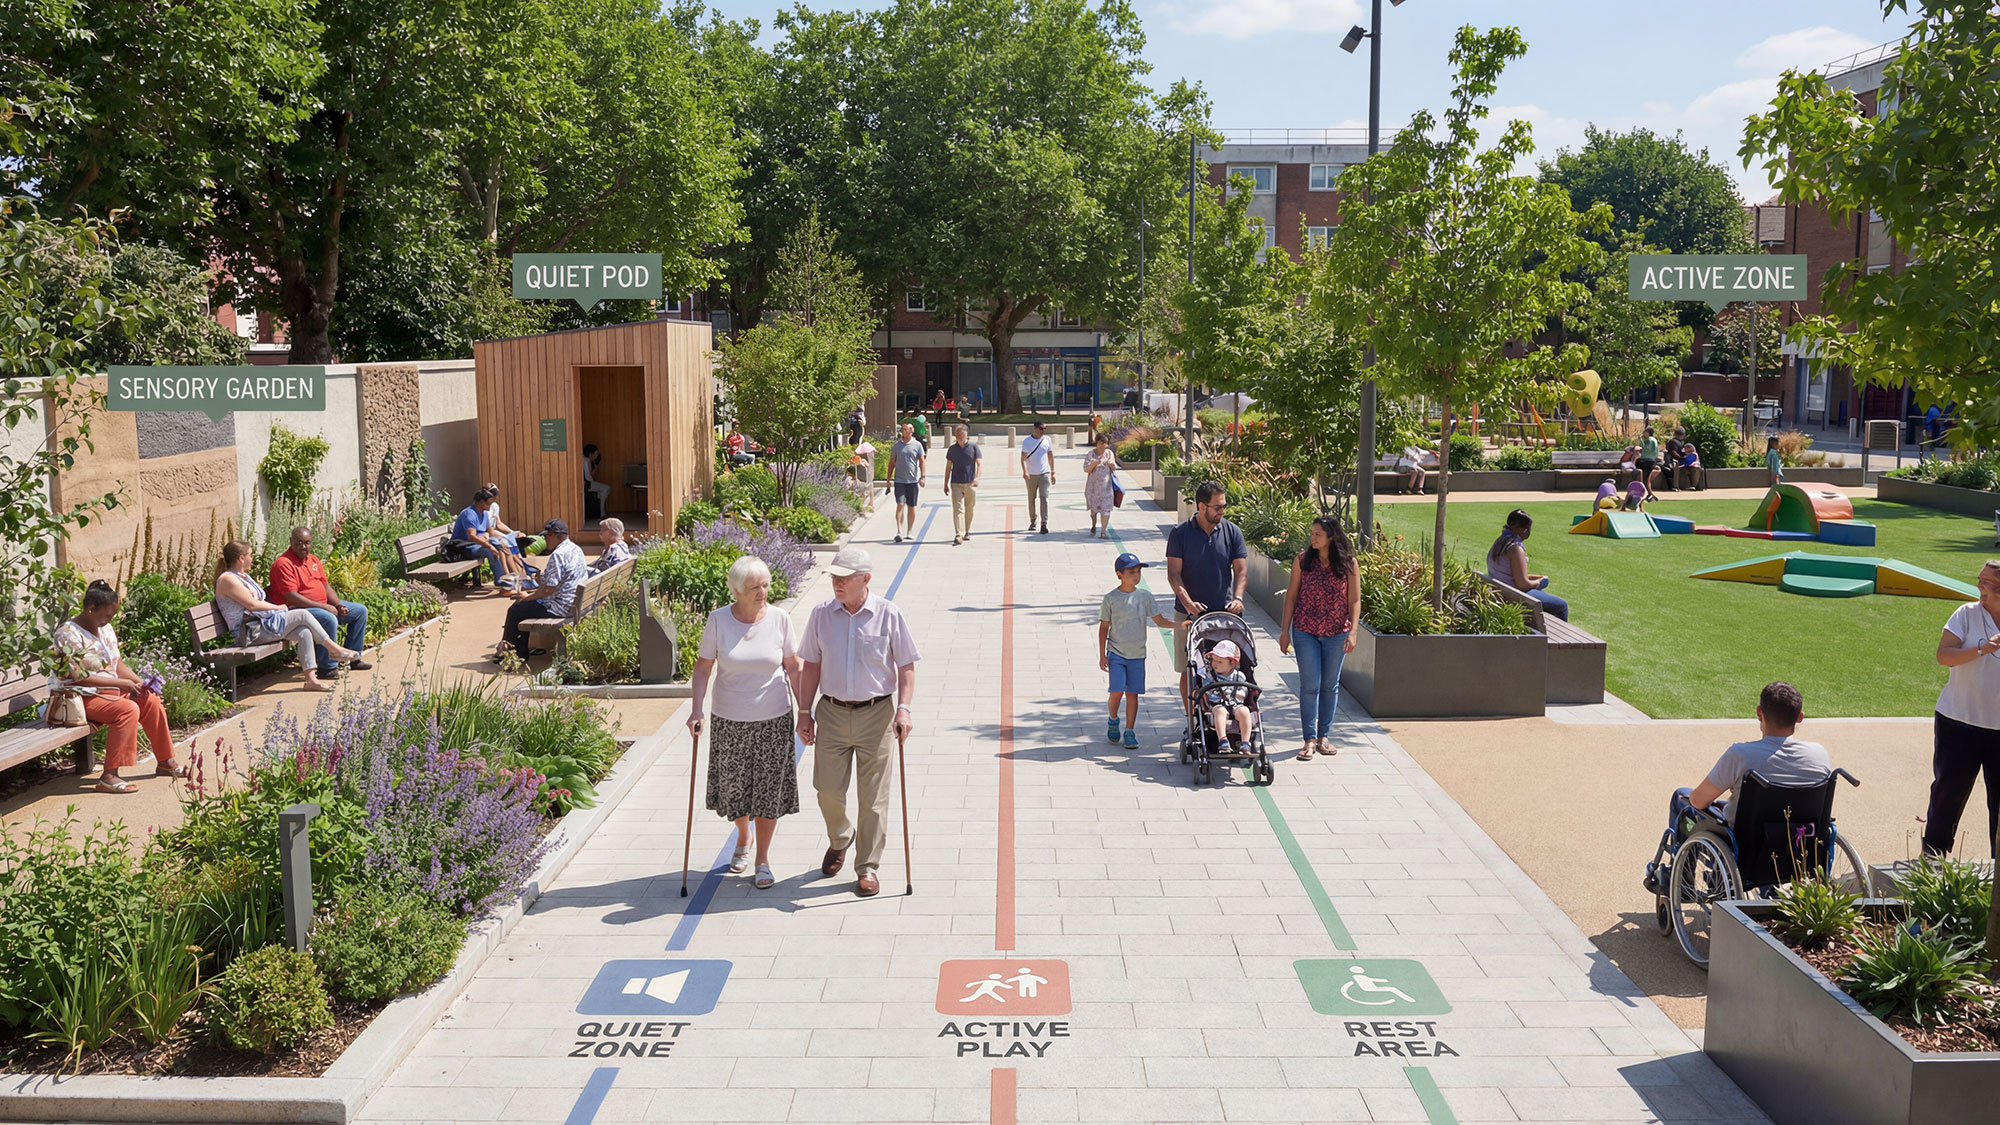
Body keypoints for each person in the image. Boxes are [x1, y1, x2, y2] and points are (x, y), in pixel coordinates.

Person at [796, 548, 921, 897]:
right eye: (834, 577)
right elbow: (812, 665)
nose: (836, 583)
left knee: (874, 800)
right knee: (828, 792)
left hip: (877, 715)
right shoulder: (822, 615)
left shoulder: (888, 615)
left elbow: (906, 665)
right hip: (832, 713)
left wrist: (904, 708)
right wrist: (804, 712)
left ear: (865, 579)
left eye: (844, 578)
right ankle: (841, 836)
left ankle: (866, 867)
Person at [1645, 682, 1830, 892]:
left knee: (1682, 799)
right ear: (1800, 717)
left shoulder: (1741, 755)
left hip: (1746, 845)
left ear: (1759, 713)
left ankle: (1681, 878)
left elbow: (1698, 801)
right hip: (1801, 845)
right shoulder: (1820, 755)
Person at [688, 556, 804, 890]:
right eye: (754, 588)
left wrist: (806, 711)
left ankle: (763, 859)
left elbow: (793, 666)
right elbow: (703, 667)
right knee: (735, 789)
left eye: (766, 585)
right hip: (730, 718)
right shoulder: (719, 620)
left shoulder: (780, 619)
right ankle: (743, 835)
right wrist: (697, 710)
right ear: (736, 590)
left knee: (769, 792)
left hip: (774, 718)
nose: (762, 592)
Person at [51, 580, 187, 793]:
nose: (110, 620)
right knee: (127, 710)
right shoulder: (67, 634)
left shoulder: (105, 628)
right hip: (75, 697)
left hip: (107, 692)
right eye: (107, 615)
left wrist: (139, 682)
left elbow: (117, 664)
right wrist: (121, 683)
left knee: (149, 699)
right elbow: (77, 676)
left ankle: (165, 761)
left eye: (112, 615)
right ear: (91, 608)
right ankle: (109, 777)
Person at [1923, 561, 2000, 857]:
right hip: (1958, 723)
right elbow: (1945, 656)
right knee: (1948, 795)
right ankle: (1933, 861)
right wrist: (1983, 648)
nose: (1979, 586)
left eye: (1986, 582)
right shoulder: (1966, 615)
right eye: (1979, 580)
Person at [214, 540, 360, 691]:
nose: (252, 558)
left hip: (259, 626)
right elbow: (252, 605)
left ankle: (311, 680)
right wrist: (278, 608)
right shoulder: (228, 580)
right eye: (250, 555)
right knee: (302, 614)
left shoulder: (240, 576)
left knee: (304, 631)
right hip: (248, 633)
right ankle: (333, 649)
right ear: (241, 558)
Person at [1279, 516, 1359, 761]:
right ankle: (1309, 740)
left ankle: (1324, 736)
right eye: (1312, 533)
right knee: (1310, 685)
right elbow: (1291, 596)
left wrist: (1353, 632)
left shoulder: (1348, 564)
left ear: (1331, 537)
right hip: (1305, 631)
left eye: (1318, 535)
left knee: (1329, 686)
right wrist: (1284, 631)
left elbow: (1354, 600)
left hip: (1337, 633)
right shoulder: (1303, 561)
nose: (1312, 538)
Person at [1165, 480, 1248, 707]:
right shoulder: (1180, 534)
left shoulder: (1232, 532)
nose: (1222, 511)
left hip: (1225, 615)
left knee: (1228, 667)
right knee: (1188, 668)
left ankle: (1227, 711)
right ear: (1201, 506)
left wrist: (1238, 598)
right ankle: (1191, 720)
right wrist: (1189, 603)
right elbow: (1173, 574)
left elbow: (1241, 571)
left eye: (1223, 506)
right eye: (1217, 507)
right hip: (1189, 616)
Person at [268, 525, 373, 682]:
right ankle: (327, 668)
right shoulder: (284, 563)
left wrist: (337, 604)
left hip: (320, 605)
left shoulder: (313, 560)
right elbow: (292, 597)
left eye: (307, 542)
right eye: (299, 543)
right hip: (295, 609)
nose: (303, 546)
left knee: (360, 611)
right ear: (290, 541)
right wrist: (324, 607)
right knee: (328, 618)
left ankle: (352, 658)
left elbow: (325, 586)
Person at [1099, 552, 1176, 748]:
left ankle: (1130, 731)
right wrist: (1102, 655)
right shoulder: (1110, 598)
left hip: (1137, 655)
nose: (1136, 575)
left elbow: (1159, 620)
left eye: (1138, 571)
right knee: (1116, 691)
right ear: (1119, 574)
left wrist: (1180, 625)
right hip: (1116, 653)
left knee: (1132, 694)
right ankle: (1113, 719)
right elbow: (1104, 627)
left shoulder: (1145, 597)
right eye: (1131, 572)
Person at [501, 519, 587, 660]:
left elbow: (548, 590)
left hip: (560, 607)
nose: (545, 539)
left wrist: (525, 597)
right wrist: (539, 579)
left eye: (546, 536)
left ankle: (512, 654)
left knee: (516, 609)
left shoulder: (558, 555)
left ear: (553, 535)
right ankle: (519, 651)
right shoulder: (575, 549)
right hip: (573, 602)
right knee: (524, 607)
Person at [1486, 509, 1567, 621]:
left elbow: (1509, 573)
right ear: (1522, 529)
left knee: (1542, 597)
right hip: (1514, 595)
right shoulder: (1515, 549)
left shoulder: (1500, 541)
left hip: (1502, 590)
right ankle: (1560, 637)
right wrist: (1538, 583)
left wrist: (1534, 578)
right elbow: (1522, 584)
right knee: (1562, 606)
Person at [453, 487, 530, 588]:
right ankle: (500, 579)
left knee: (504, 544)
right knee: (490, 551)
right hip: (463, 546)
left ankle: (516, 575)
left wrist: (505, 539)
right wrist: (489, 545)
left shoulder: (484, 513)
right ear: (481, 502)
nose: (491, 506)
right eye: (489, 503)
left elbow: (491, 532)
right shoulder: (469, 514)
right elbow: (471, 537)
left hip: (478, 543)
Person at [1196, 639, 1256, 754]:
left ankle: (1245, 742)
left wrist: (1240, 694)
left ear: (1232, 663)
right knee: (1220, 712)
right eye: (1213, 660)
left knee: (1245, 711)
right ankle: (1223, 740)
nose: (1215, 664)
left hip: (1236, 703)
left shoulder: (1239, 676)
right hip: (1217, 703)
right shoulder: (1210, 676)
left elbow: (1244, 690)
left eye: (1219, 662)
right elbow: (1206, 690)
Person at [944, 424, 981, 545]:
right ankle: (959, 534)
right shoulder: (952, 449)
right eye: (957, 434)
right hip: (956, 483)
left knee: (969, 508)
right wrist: (945, 483)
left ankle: (967, 531)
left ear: (966, 435)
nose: (959, 436)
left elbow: (979, 464)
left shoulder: (974, 447)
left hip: (970, 482)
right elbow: (948, 467)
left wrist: (977, 478)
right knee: (958, 509)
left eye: (961, 434)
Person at [890, 422, 925, 544]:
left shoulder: (917, 445)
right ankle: (899, 531)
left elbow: (922, 461)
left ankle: (909, 531)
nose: (903, 432)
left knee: (911, 507)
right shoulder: (896, 446)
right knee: (900, 505)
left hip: (913, 481)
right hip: (899, 481)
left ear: (911, 431)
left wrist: (923, 477)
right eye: (903, 429)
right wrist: (889, 480)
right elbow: (891, 463)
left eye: (906, 430)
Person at [1021, 420, 1056, 534]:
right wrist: (1025, 472)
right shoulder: (1027, 441)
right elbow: (1023, 459)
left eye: (1045, 428)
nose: (1043, 431)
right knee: (1031, 498)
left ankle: (1044, 523)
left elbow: (1050, 456)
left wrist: (1052, 471)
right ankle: (1033, 520)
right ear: (1035, 428)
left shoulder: (1047, 440)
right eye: (1041, 428)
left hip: (1044, 473)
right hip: (1031, 474)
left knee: (1044, 497)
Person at [1083, 434, 1118, 538]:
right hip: (1093, 488)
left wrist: (1111, 464)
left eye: (1105, 444)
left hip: (1106, 488)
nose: (1103, 446)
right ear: (1096, 442)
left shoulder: (1109, 453)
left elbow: (1114, 467)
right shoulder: (1091, 454)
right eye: (1100, 443)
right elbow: (1086, 469)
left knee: (1106, 510)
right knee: (1094, 511)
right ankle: (1093, 525)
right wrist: (1094, 464)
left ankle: (1103, 531)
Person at [583, 443, 611, 514]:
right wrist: (593, 483)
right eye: (595, 454)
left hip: (588, 482)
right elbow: (587, 477)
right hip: (586, 483)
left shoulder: (589, 461)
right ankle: (601, 511)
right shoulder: (585, 461)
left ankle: (599, 510)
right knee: (606, 488)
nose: (596, 456)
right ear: (590, 454)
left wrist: (596, 466)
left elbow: (590, 474)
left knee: (604, 490)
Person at [852, 434, 877, 510]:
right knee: (869, 485)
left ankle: (864, 504)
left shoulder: (861, 456)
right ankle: (870, 503)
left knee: (865, 487)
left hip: (863, 477)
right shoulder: (868, 456)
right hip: (867, 476)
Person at [1638, 426, 1662, 497]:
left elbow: (1646, 448)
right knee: (1646, 478)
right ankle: (1650, 493)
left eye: (1644, 432)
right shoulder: (1654, 440)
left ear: (1648, 432)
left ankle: (1650, 494)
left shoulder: (1649, 440)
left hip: (1647, 461)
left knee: (1646, 478)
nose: (1643, 433)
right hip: (1652, 460)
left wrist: (1641, 440)